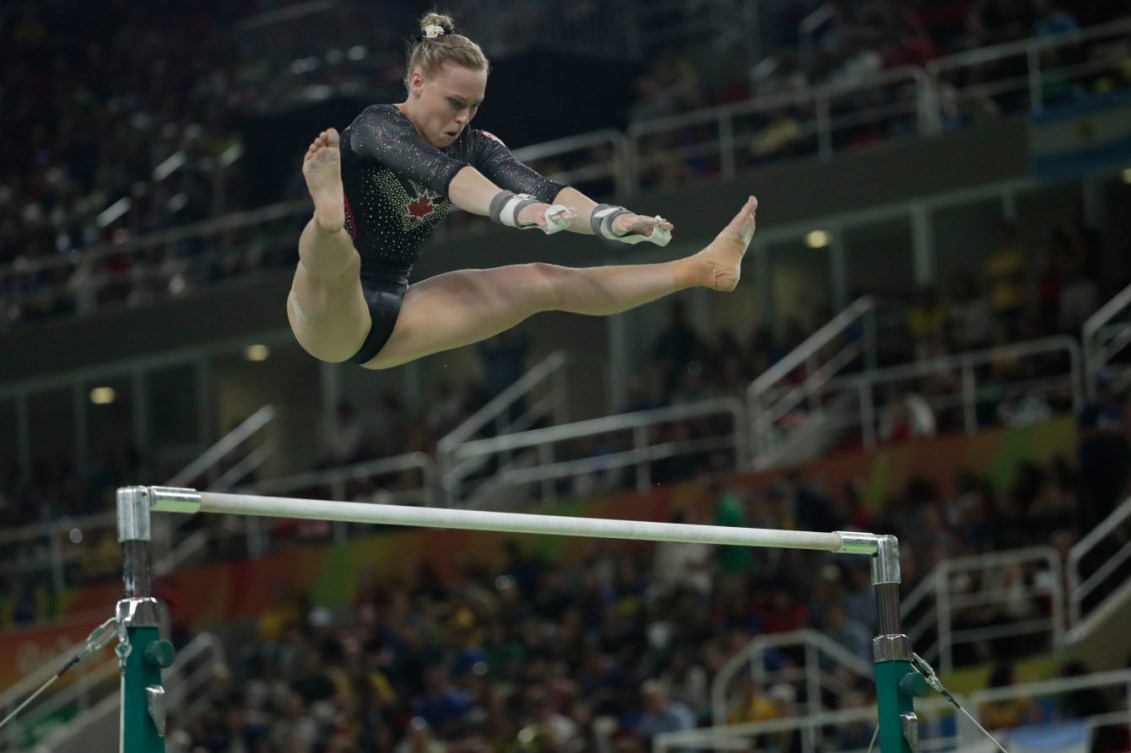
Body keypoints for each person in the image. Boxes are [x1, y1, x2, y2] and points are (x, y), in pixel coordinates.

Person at [287, 11, 758, 371]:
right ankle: (328, 214)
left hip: (399, 311)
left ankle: (700, 268)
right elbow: (440, 175)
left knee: (545, 279)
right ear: (416, 81)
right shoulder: (377, 126)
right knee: (335, 251)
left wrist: (610, 220)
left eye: (473, 107)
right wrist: (513, 211)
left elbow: (543, 188)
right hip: (327, 314)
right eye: (454, 103)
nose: (463, 118)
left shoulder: (475, 145)